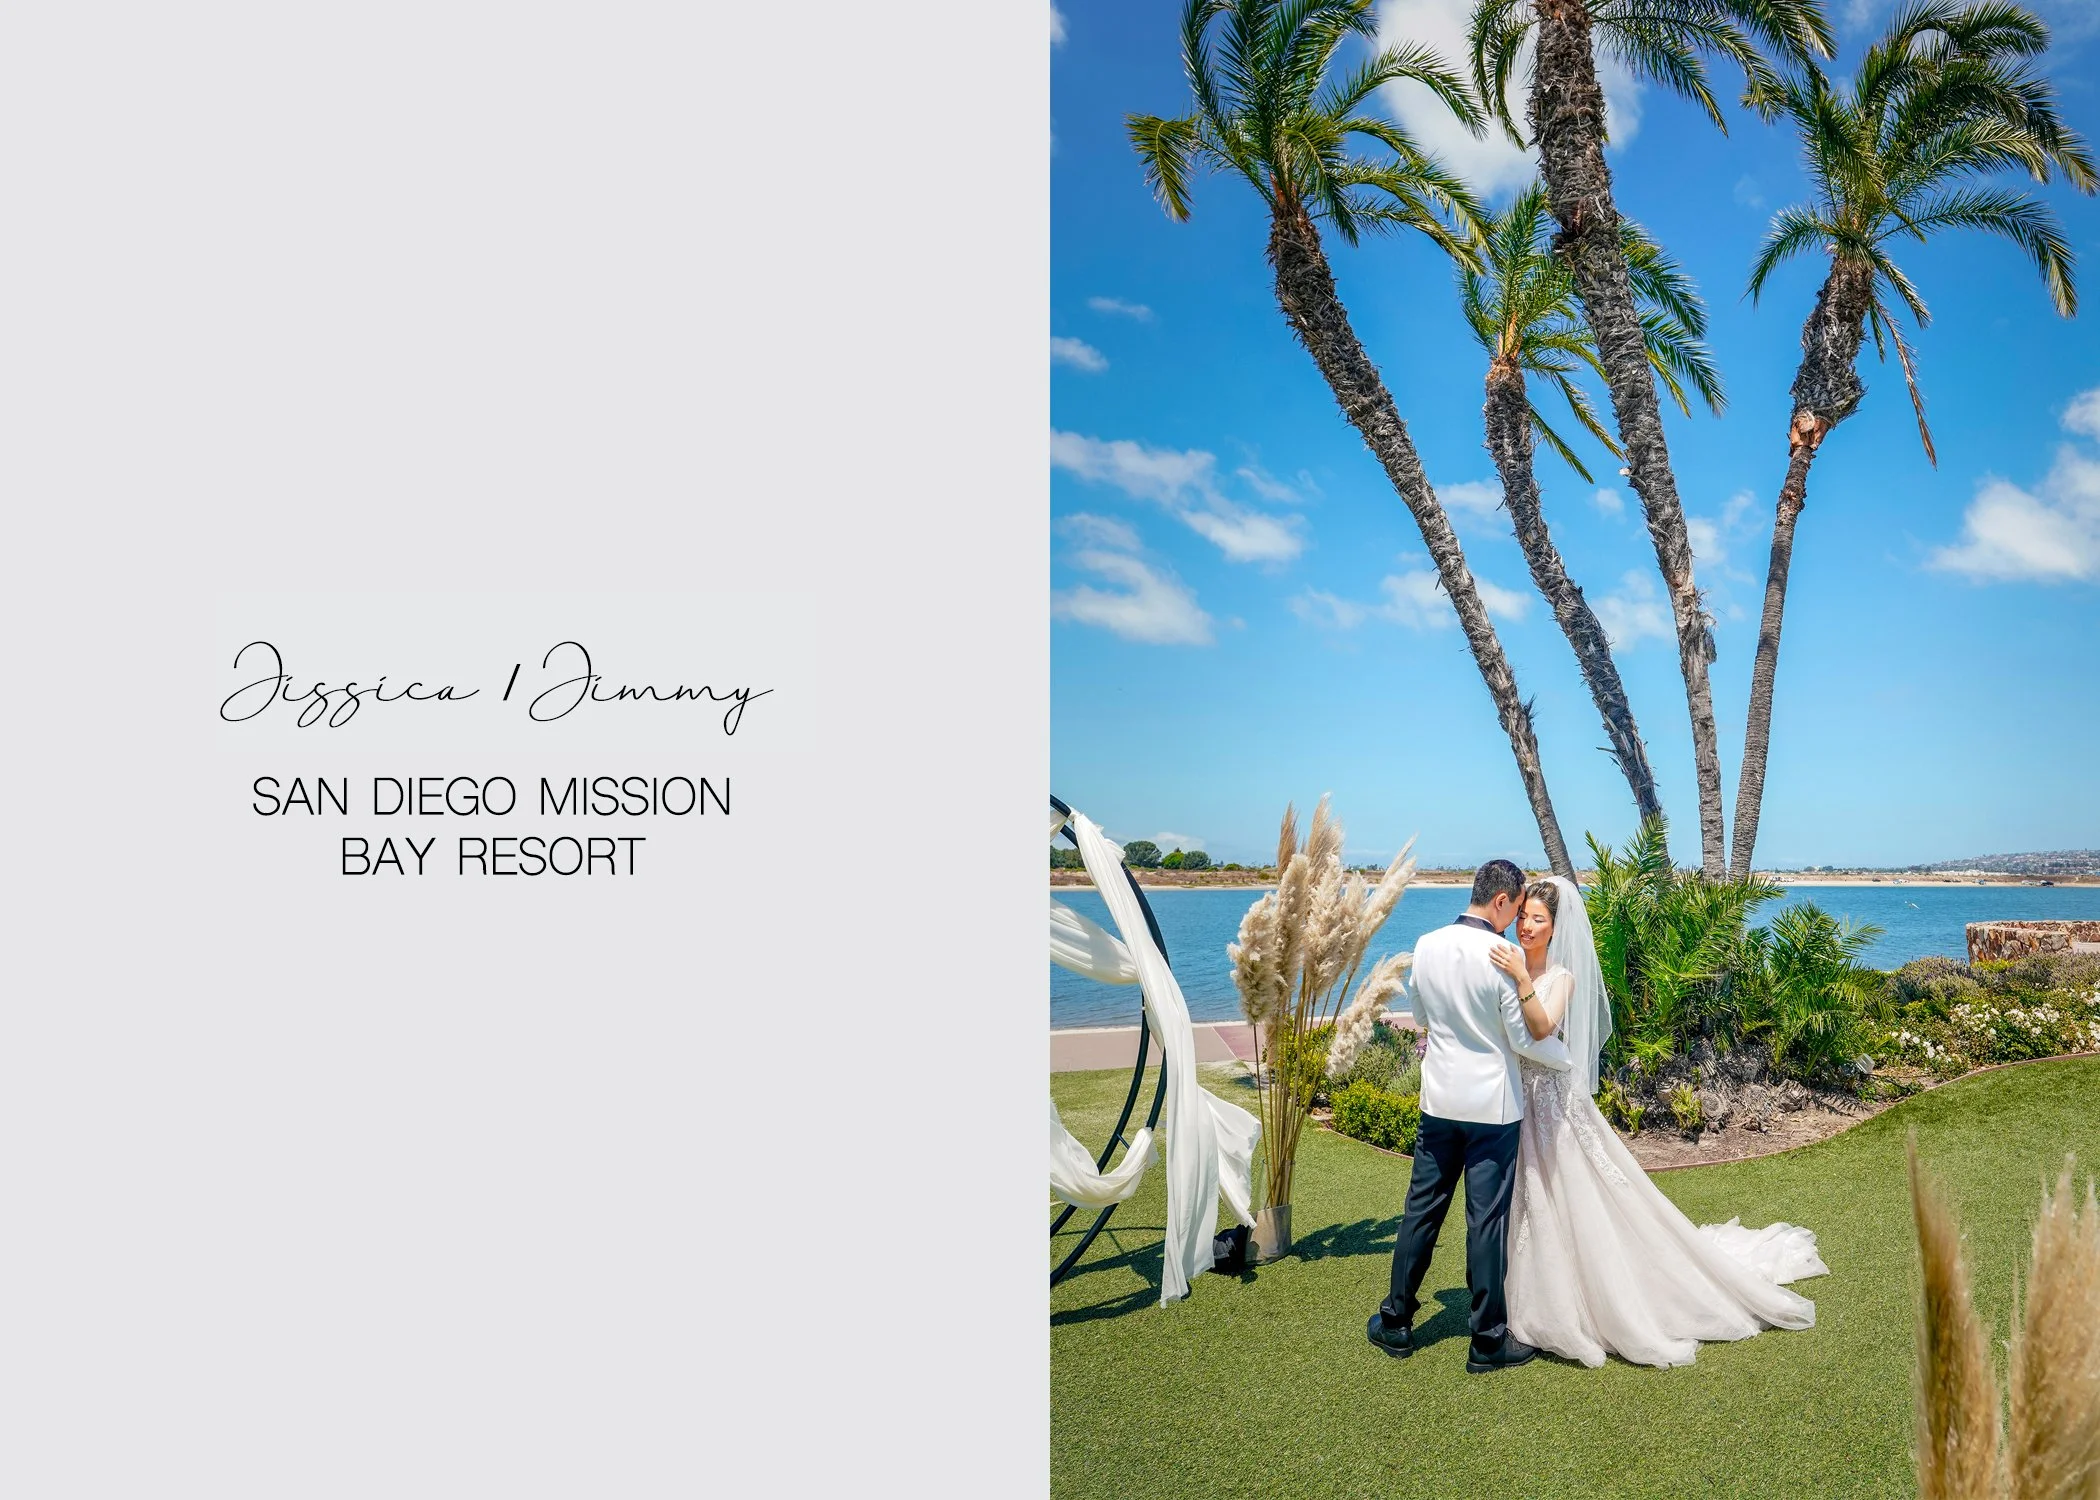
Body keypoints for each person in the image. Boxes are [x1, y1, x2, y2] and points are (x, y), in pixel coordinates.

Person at [1492, 876, 1828, 1368]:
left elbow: (1544, 1027)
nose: (1526, 926)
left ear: (1556, 927)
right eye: (1522, 917)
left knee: (1574, 1192)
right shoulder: (1510, 966)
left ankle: (1600, 1300)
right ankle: (1534, 1296)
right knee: (1533, 1199)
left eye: (1537, 919)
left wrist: (1522, 978)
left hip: (1555, 1104)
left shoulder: (1560, 976)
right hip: (1523, 1101)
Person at [1366, 859, 1574, 1373]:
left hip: (1438, 1102)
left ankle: (1396, 1322)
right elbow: (1523, 1036)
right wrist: (1564, 1060)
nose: (1517, 923)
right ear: (1501, 900)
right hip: (1493, 1108)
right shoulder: (1501, 955)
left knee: (1421, 1211)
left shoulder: (1428, 945)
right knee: (1486, 1222)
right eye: (1516, 908)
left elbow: (1420, 1018)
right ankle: (1486, 1340)